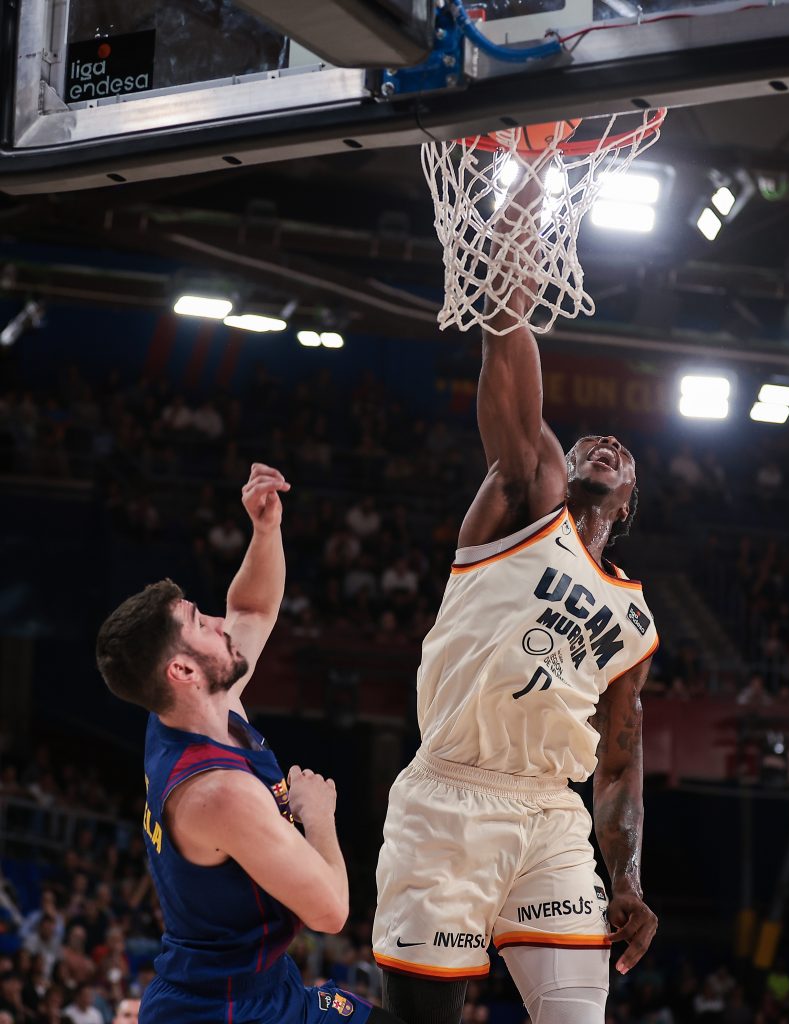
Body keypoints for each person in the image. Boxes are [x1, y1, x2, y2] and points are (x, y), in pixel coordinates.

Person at [373, 166, 659, 1024]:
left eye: (621, 451)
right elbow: (507, 323)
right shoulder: (523, 497)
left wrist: (628, 880)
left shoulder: (635, 620)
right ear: (561, 466)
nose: (604, 441)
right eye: (587, 442)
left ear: (631, 501)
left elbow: (616, 761)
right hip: (449, 795)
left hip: (548, 816)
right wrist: (533, 180)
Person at [96, 464, 400, 1024]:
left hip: (251, 986)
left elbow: (253, 609)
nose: (218, 621)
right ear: (183, 670)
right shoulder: (219, 794)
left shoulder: (197, 705)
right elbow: (331, 911)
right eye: (199, 622)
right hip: (227, 1011)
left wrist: (265, 530)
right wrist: (320, 815)